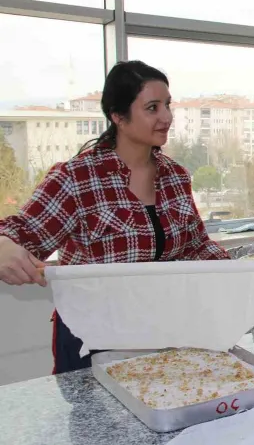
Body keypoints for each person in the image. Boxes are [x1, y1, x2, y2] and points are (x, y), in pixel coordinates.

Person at [0, 60, 230, 374]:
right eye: (152, 108)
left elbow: (196, 247)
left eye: (167, 105)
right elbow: (20, 232)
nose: (166, 117)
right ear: (118, 117)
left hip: (159, 329)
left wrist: (249, 275)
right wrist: (3, 244)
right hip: (91, 337)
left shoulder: (175, 176)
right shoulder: (77, 179)